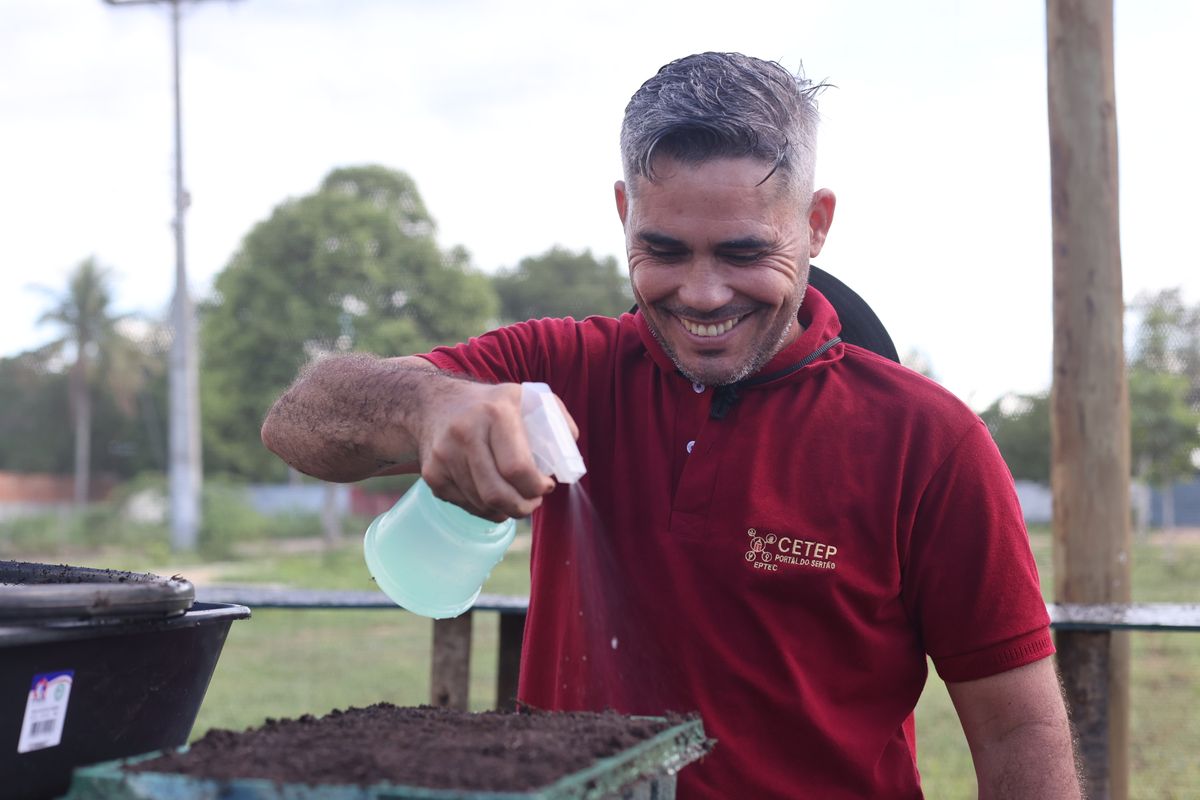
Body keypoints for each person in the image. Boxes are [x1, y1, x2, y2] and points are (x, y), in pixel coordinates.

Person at [261, 52, 1081, 799]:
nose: (702, 293)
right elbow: (297, 423)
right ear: (623, 212)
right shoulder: (558, 371)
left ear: (817, 223)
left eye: (742, 254)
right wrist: (429, 402)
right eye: (664, 249)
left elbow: (1018, 726)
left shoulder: (928, 441)